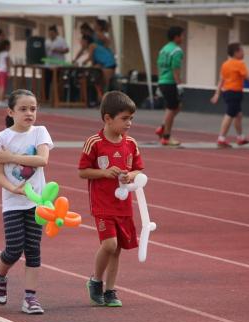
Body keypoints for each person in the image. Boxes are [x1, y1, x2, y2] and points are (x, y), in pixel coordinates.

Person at [0, 89, 54, 314]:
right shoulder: (2, 137)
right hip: (13, 202)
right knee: (15, 248)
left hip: (37, 202)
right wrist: (12, 188)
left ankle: (30, 298)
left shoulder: (40, 132)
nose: (29, 113)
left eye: (33, 109)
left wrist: (12, 158)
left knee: (33, 249)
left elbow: (42, 160)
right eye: (23, 109)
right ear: (11, 112)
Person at [78, 91, 144, 307]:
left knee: (117, 250)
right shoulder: (94, 142)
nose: (129, 123)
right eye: (125, 119)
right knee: (109, 244)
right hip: (102, 204)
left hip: (123, 205)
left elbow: (138, 170)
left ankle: (110, 290)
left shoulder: (131, 144)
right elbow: (83, 171)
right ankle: (95, 280)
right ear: (108, 118)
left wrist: (129, 175)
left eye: (131, 118)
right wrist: (105, 173)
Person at [210, 43, 249, 148]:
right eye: (242, 50)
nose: (243, 53)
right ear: (236, 52)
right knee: (230, 114)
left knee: (238, 115)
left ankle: (240, 138)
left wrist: (217, 93)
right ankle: (221, 139)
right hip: (234, 92)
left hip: (227, 92)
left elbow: (221, 79)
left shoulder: (225, 64)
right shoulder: (240, 63)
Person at [155, 26, 185, 146]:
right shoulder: (177, 51)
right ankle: (166, 136)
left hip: (162, 81)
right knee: (171, 108)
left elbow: (159, 66)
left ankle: (162, 127)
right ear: (176, 37)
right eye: (182, 35)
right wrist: (179, 84)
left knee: (176, 107)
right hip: (170, 82)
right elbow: (175, 68)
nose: (183, 38)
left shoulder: (163, 50)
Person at [80, 34, 116, 100]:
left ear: (86, 41)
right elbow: (93, 61)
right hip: (107, 64)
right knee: (100, 82)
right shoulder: (94, 47)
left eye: (82, 41)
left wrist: (82, 63)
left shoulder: (92, 45)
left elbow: (90, 58)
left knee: (104, 84)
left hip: (108, 64)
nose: (81, 43)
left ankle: (104, 99)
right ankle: (100, 98)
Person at [44, 25, 69, 100]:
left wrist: (57, 50)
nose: (51, 35)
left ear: (56, 33)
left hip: (58, 64)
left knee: (57, 82)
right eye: (49, 33)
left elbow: (67, 50)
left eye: (52, 33)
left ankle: (58, 99)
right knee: (46, 81)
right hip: (48, 64)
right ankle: (46, 98)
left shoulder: (61, 40)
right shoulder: (47, 41)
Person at [0, 39, 12, 107]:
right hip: (4, 71)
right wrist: (9, 72)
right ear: (7, 46)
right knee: (3, 87)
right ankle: (1, 101)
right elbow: (8, 63)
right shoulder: (6, 54)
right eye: (10, 46)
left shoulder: (0, 53)